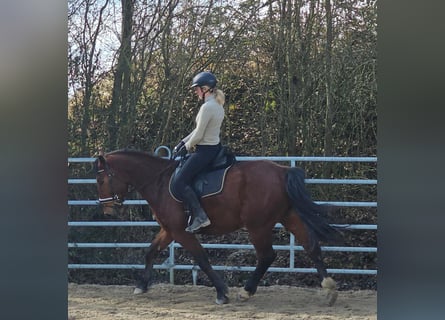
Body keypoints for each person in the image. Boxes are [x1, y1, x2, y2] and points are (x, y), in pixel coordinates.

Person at [172, 71, 226, 233]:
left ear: (205, 89)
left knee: (179, 182)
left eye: (197, 89)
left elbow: (199, 134)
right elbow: (197, 130)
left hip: (204, 151)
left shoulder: (207, 107)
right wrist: (183, 142)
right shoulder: (217, 106)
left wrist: (186, 147)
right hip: (214, 148)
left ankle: (201, 216)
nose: (195, 92)